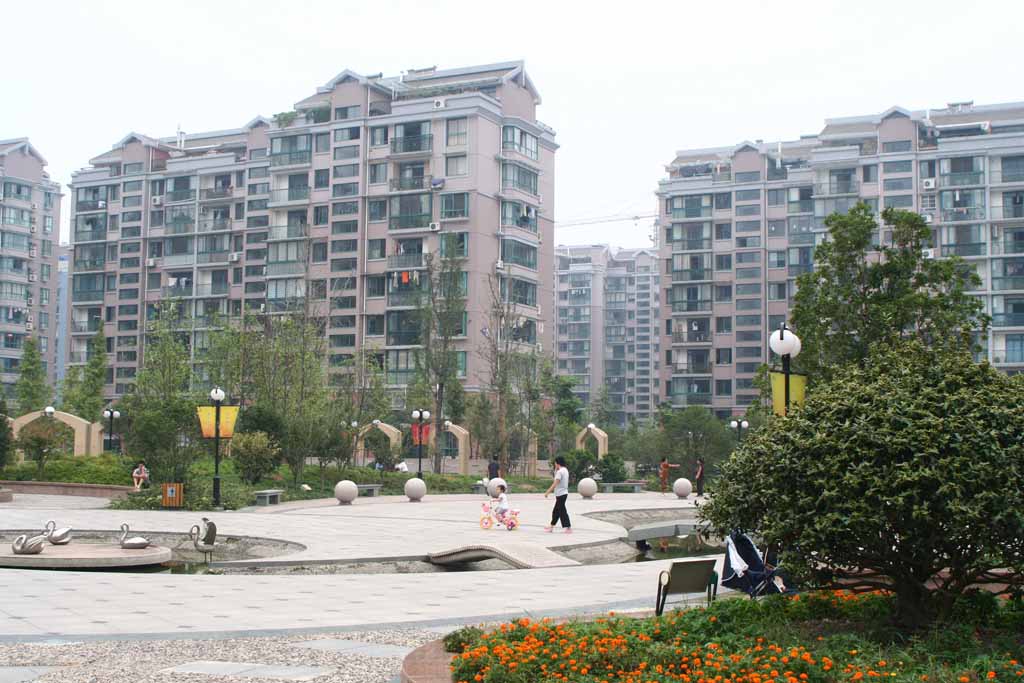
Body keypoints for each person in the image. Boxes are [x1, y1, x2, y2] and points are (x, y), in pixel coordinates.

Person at [544, 456, 571, 533]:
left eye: (555, 463)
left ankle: (568, 528)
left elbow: (555, 483)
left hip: (561, 494)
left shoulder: (560, 472)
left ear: (558, 463)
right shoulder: (565, 470)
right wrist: (556, 470)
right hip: (563, 494)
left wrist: (548, 492)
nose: (554, 464)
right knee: (556, 511)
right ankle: (551, 527)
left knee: (562, 511)